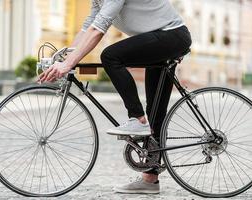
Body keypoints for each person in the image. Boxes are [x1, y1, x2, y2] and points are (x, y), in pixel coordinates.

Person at [39, 0, 192, 194]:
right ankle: (150, 180)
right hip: (161, 39)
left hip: (171, 36)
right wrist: (64, 56)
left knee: (111, 57)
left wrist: (69, 64)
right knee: (155, 111)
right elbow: (89, 27)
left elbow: (99, 28)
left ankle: (137, 119)